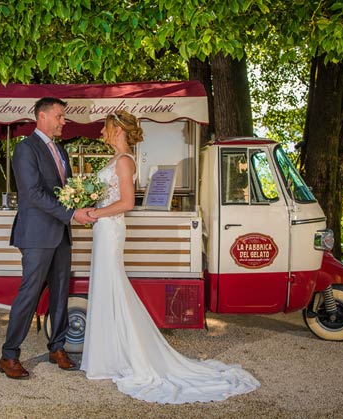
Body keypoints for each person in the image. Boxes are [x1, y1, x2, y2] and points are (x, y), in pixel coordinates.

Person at [80, 110, 260, 403]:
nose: (101, 133)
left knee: (111, 285)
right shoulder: (115, 160)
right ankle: (109, 356)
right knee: (106, 287)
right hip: (104, 228)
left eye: (106, 128)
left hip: (110, 228)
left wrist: (94, 212)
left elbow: (126, 202)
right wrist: (92, 209)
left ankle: (118, 358)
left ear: (119, 131)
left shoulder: (125, 161)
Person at [0, 97, 95, 379]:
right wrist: (72, 214)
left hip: (61, 235)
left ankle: (57, 348)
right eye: (60, 116)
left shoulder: (61, 151)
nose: (64, 121)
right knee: (29, 294)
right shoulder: (25, 149)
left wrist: (80, 201)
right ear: (42, 116)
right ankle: (9, 356)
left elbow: (64, 189)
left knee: (61, 293)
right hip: (37, 234)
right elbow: (33, 193)